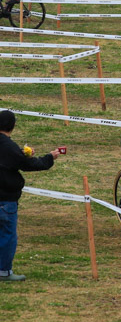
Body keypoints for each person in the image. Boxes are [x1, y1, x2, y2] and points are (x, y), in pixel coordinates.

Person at [0, 109, 66, 282]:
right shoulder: (10, 147)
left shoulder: (11, 148)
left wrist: (21, 154)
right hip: (6, 200)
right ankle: (4, 272)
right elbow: (29, 165)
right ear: (12, 126)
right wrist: (50, 157)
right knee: (8, 236)